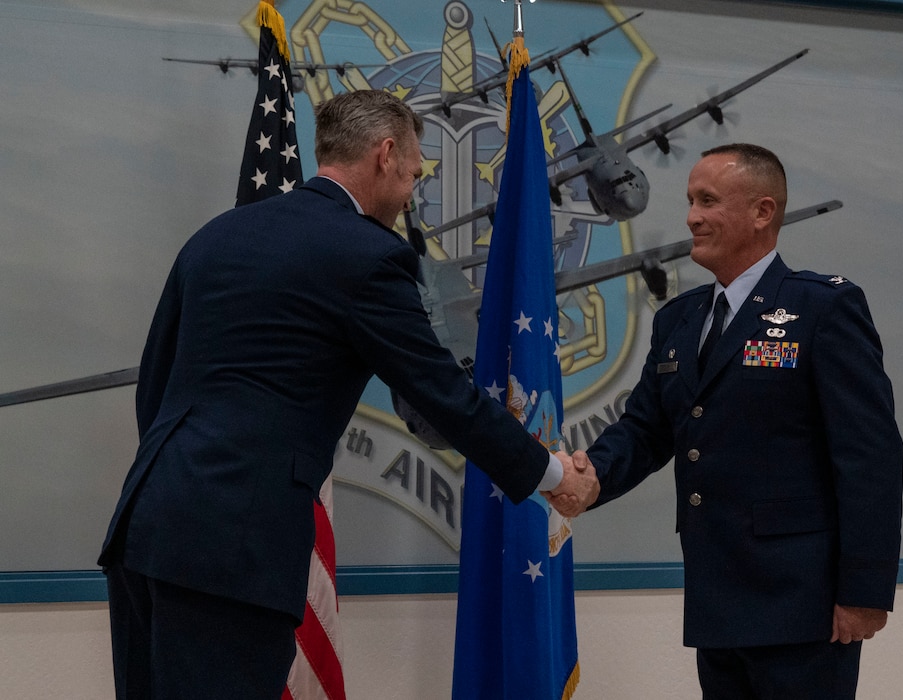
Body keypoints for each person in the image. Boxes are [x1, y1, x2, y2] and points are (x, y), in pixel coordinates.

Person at [98, 90, 598, 700]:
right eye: (415, 173)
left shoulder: (217, 236)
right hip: (234, 547)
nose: (412, 190)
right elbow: (442, 396)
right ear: (386, 155)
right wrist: (551, 475)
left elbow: (155, 384)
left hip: (145, 525)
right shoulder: (368, 255)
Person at [557, 143, 903, 699]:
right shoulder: (679, 318)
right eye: (691, 200)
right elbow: (646, 429)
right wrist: (590, 474)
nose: (692, 216)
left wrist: (865, 590)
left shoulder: (821, 308)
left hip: (803, 602)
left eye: (708, 201)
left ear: (763, 212)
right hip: (717, 595)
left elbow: (870, 455)